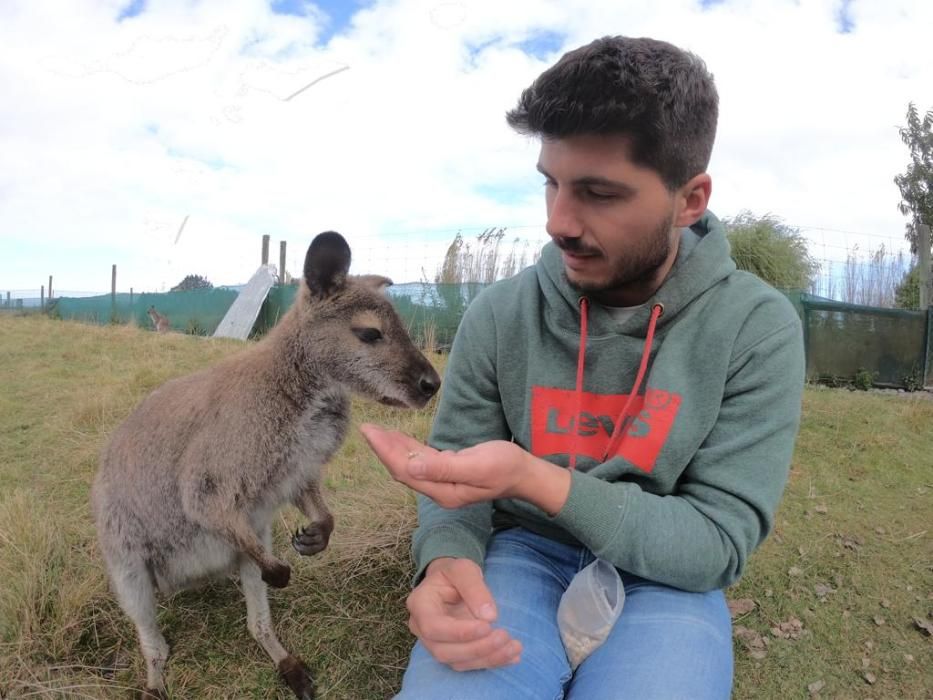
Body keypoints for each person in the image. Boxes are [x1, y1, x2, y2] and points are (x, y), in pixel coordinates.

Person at [361, 35, 804, 699]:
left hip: (667, 578)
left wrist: (531, 476)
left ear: (689, 200)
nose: (558, 222)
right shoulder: (500, 315)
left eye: (598, 193)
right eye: (551, 184)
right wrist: (445, 562)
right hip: (522, 556)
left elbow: (716, 540)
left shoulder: (754, 328)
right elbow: (453, 493)